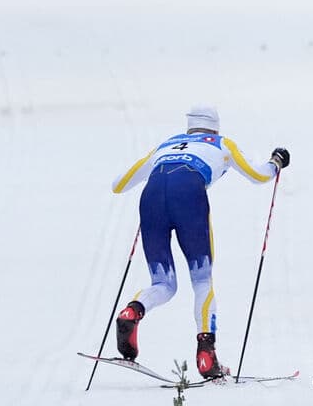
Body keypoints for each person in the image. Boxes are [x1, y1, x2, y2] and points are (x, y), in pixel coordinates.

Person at [111, 106, 289, 380]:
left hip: (150, 199)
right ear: (215, 127)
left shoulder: (166, 144)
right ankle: (206, 354)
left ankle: (132, 311)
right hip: (189, 197)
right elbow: (259, 176)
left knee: (163, 284)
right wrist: (276, 161)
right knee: (202, 281)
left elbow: (118, 184)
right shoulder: (222, 143)